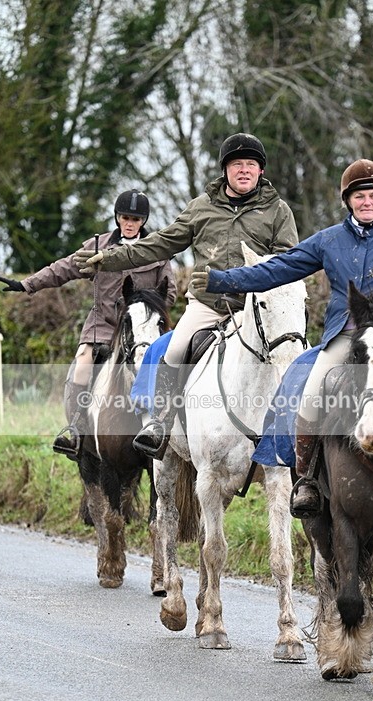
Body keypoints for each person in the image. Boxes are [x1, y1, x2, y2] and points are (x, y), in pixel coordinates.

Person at [188, 158, 373, 520]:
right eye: (360, 197)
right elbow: (277, 269)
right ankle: (307, 480)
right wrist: (221, 280)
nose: (367, 202)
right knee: (308, 392)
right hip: (347, 334)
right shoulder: (328, 240)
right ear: (348, 200)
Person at [74, 133, 299, 459]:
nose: (244, 170)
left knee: (289, 354)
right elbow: (160, 244)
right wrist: (109, 259)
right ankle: (160, 423)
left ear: (261, 171)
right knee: (174, 350)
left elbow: (286, 265)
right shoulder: (201, 207)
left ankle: (292, 434)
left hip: (256, 306)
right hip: (208, 305)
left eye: (251, 164)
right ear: (225, 170)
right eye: (237, 164)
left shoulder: (278, 211)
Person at [0, 189, 177, 460]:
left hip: (140, 329)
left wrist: (143, 304)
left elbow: (170, 293)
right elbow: (63, 268)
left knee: (172, 363)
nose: (129, 223)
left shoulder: (157, 252)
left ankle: (169, 429)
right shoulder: (98, 247)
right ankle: (76, 429)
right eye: (125, 217)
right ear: (117, 217)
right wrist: (26, 284)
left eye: (135, 219)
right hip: (103, 325)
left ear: (143, 221)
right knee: (82, 362)